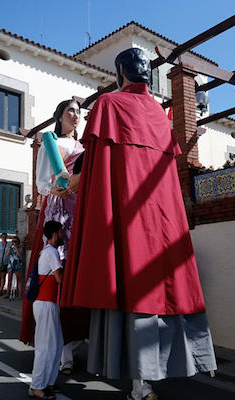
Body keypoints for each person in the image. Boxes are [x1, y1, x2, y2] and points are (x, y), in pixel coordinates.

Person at [60, 48, 217, 400]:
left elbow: (98, 174)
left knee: (125, 290)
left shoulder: (107, 105)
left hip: (124, 214)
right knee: (158, 290)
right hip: (161, 222)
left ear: (120, 71)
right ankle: (143, 383)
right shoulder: (161, 116)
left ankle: (137, 380)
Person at [20, 99, 89, 347]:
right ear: (59, 115)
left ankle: (73, 338)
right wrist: (54, 190)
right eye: (70, 110)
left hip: (80, 210)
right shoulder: (52, 142)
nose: (75, 115)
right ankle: (58, 346)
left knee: (78, 273)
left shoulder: (84, 146)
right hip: (58, 212)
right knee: (57, 271)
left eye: (78, 111)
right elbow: (41, 182)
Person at [28, 221, 64, 400]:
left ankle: (48, 382)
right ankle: (37, 386)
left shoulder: (48, 251)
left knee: (56, 345)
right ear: (55, 234)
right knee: (45, 346)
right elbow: (59, 278)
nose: (63, 235)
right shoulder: (51, 252)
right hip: (45, 303)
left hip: (49, 303)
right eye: (61, 232)